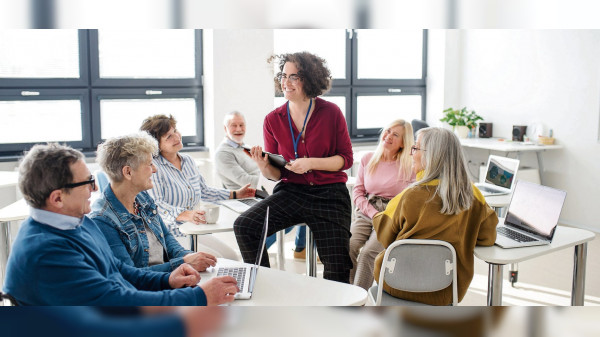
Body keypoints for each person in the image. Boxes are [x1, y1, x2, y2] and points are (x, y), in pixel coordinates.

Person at [3, 143, 238, 306]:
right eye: (87, 183)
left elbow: (119, 270)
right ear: (57, 198)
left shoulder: (75, 220)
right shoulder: (46, 251)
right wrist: (199, 297)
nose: (94, 189)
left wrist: (166, 280)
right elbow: (116, 302)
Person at [234, 51, 354, 283]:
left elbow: (346, 159)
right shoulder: (273, 119)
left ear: (309, 79)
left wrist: (311, 163)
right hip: (292, 192)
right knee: (245, 226)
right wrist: (262, 165)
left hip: (330, 194)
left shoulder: (331, 113)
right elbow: (276, 174)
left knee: (337, 266)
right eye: (283, 75)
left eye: (294, 77)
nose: (285, 83)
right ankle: (262, 287)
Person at [373, 127, 498, 305]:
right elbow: (488, 237)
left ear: (430, 156)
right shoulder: (473, 195)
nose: (411, 153)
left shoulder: (409, 196)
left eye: (415, 148)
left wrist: (378, 215)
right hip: (447, 291)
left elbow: (385, 236)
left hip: (396, 284)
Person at [90, 133, 218, 273]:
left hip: (169, 278)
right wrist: (183, 263)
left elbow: (166, 237)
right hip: (149, 290)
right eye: (150, 164)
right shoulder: (102, 220)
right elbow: (129, 276)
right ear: (128, 172)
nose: (155, 169)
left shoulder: (142, 197)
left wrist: (188, 256)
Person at [140, 114, 255, 260]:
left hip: (194, 230)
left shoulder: (188, 161)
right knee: (218, 260)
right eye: (169, 136)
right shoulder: (154, 168)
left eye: (175, 131)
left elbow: (204, 191)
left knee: (231, 256)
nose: (176, 137)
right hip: (171, 235)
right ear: (156, 144)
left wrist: (235, 194)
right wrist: (184, 214)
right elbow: (156, 205)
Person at [215, 110, 306, 257]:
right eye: (233, 125)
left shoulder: (247, 147)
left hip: (259, 193)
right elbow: (245, 180)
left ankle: (301, 249)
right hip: (243, 198)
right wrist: (269, 173)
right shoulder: (223, 153)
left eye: (241, 125)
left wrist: (272, 169)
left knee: (301, 196)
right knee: (289, 213)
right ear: (225, 129)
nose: (238, 129)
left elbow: (260, 171)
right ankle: (253, 253)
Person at [349, 119, 416, 290]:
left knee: (368, 254)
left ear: (403, 143)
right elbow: (357, 192)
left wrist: (386, 216)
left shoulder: (410, 165)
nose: (388, 136)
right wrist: (372, 213)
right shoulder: (368, 158)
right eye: (387, 131)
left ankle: (359, 300)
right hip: (366, 211)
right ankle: (349, 292)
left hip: (391, 216)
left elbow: (411, 198)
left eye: (396, 135)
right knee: (348, 246)